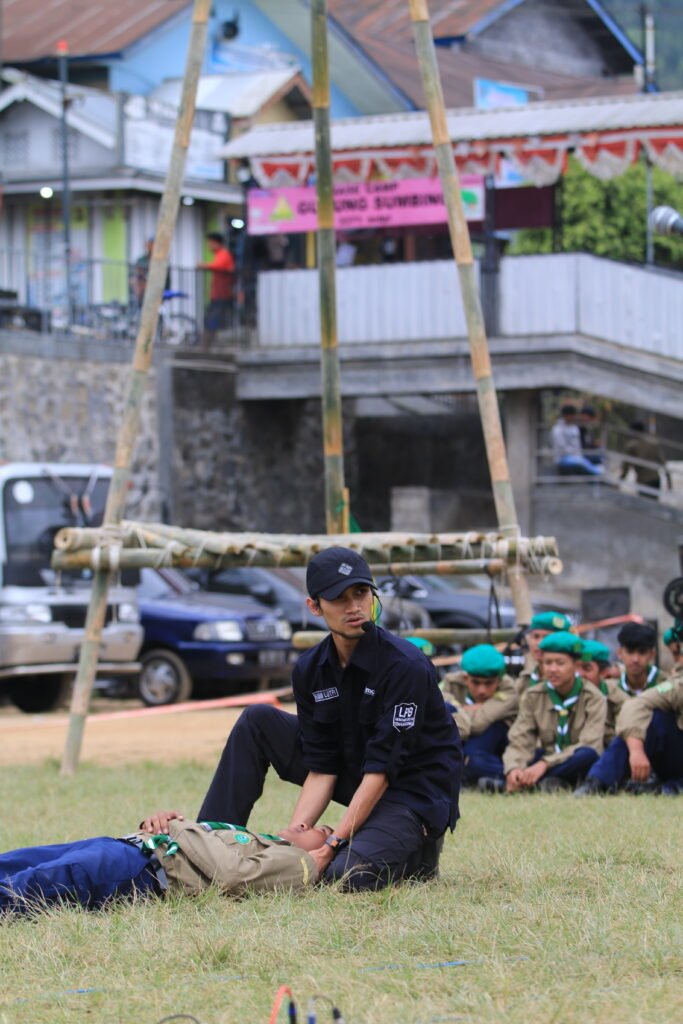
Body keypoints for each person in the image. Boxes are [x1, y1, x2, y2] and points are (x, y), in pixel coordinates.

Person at [194, 546, 462, 891]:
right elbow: (323, 767)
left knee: (343, 876)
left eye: (361, 593)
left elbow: (381, 771)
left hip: (410, 791)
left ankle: (417, 850)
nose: (354, 607)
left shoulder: (405, 666)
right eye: (338, 598)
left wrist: (333, 842)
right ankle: (206, 848)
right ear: (314, 606)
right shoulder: (310, 669)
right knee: (257, 720)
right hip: (357, 770)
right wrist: (295, 844)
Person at [0, 818, 332, 915]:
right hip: (126, 844)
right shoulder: (258, 839)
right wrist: (165, 821)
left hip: (143, 870)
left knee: (40, 883)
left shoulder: (295, 862)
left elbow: (232, 875)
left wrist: (179, 825)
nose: (306, 824)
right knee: (21, 859)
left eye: (322, 828)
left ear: (322, 848)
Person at [503, 632, 605, 793]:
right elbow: (521, 738)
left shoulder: (593, 697)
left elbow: (589, 742)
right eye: (547, 663)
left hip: (572, 761)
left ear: (575, 665)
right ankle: (533, 781)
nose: (552, 669)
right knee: (490, 760)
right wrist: (514, 768)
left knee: (587, 755)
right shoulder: (533, 695)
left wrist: (545, 764)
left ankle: (534, 781)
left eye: (560, 663)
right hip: (546, 756)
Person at [575, 679, 683, 797]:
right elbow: (635, 704)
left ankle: (663, 789)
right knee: (654, 719)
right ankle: (597, 782)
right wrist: (636, 751)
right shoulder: (678, 687)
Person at [442, 644, 518, 793]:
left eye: (489, 683)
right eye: (475, 682)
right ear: (465, 678)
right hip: (463, 738)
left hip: (498, 745)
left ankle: (513, 778)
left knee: (475, 756)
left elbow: (476, 724)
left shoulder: (510, 689)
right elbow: (441, 718)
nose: (482, 690)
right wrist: (467, 710)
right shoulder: (451, 682)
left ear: (499, 679)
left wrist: (458, 710)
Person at [578, 639, 626, 746]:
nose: (579, 674)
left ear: (603, 673)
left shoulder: (619, 700)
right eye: (576, 667)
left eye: (586, 668)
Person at [515, 611, 573, 695]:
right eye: (536, 636)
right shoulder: (525, 681)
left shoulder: (570, 682)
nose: (539, 643)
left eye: (547, 637)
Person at [197, 232, 236, 341]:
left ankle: (208, 341)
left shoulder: (223, 254)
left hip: (222, 293)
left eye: (210, 243)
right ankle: (209, 341)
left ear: (216, 243)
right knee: (212, 316)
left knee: (213, 317)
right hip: (217, 293)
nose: (209, 246)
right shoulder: (219, 255)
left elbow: (218, 266)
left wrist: (203, 265)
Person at [619, 421, 670, 499]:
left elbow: (626, 466)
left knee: (644, 506)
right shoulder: (653, 442)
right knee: (654, 505)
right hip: (656, 479)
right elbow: (663, 463)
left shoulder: (631, 446)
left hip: (643, 481)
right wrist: (669, 482)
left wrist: (619, 482)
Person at [551, 404, 603, 477]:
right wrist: (576, 453)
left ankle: (601, 473)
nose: (574, 417)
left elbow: (577, 444)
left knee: (597, 457)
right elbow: (562, 448)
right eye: (572, 415)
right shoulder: (558, 429)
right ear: (566, 415)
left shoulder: (574, 427)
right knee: (582, 462)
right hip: (563, 458)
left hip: (576, 456)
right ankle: (601, 474)